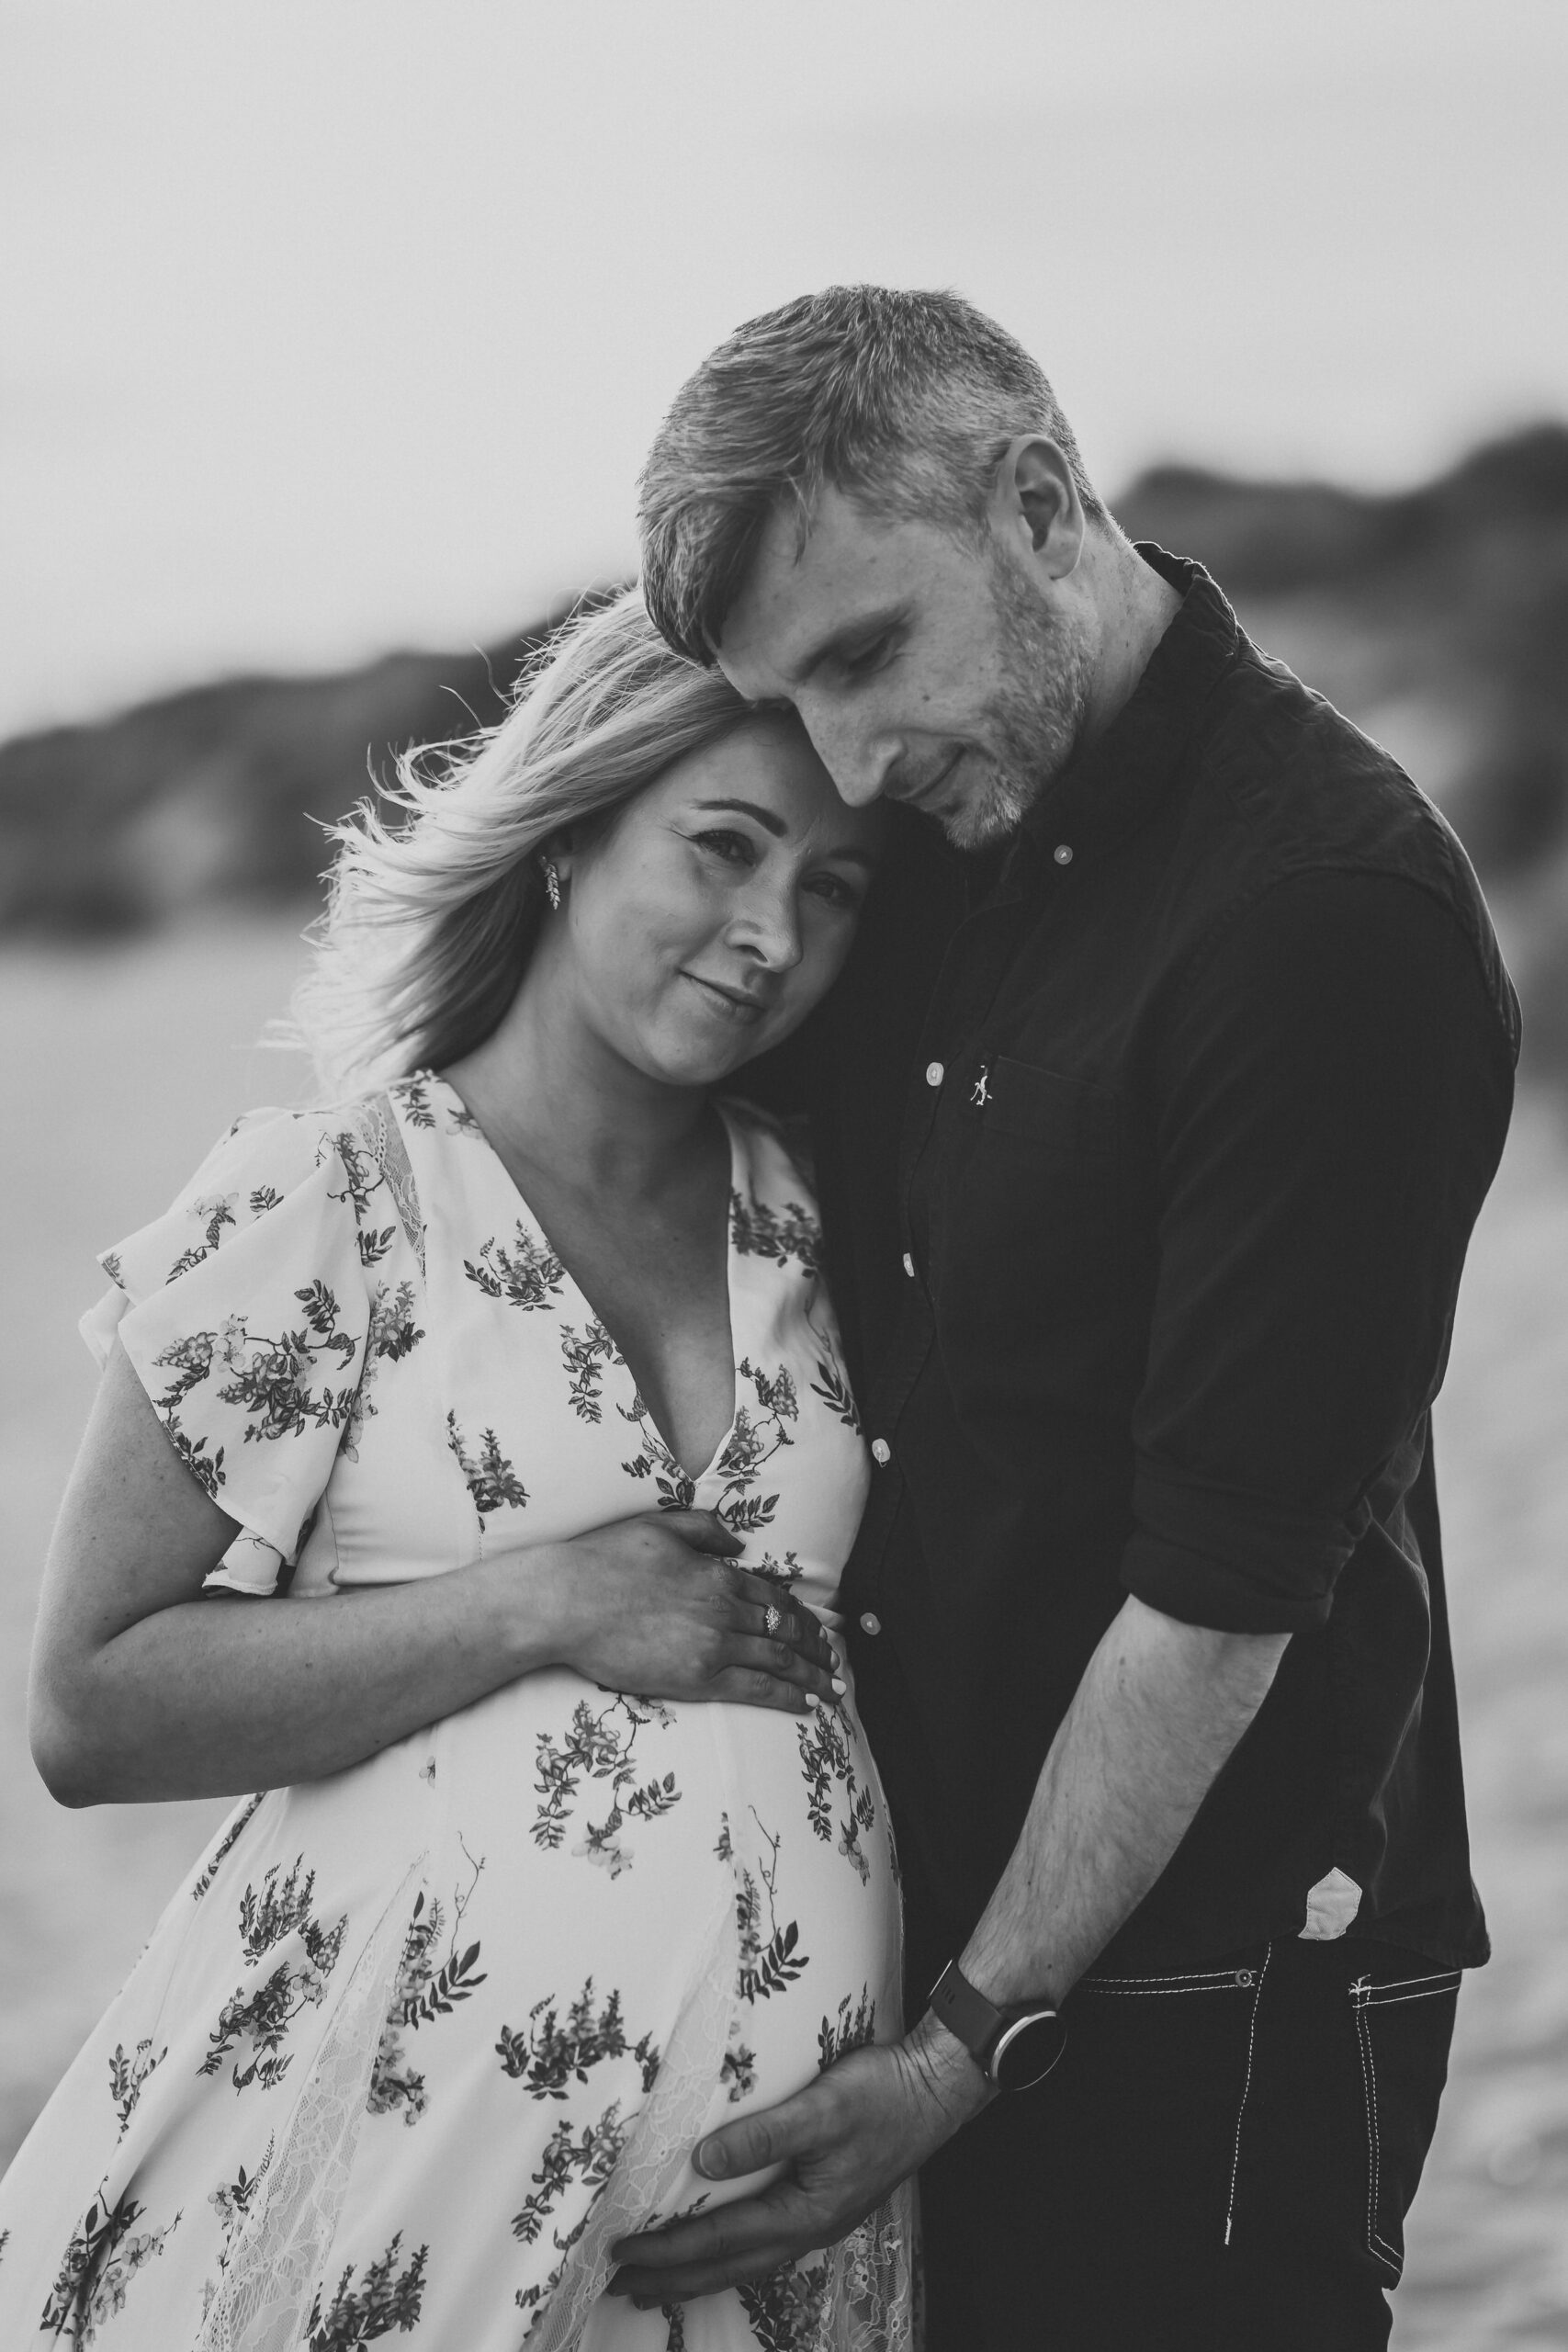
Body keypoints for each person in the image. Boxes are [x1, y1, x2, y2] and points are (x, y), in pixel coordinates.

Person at [610, 286, 1521, 2347]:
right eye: (790, 695)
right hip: (923, 1935)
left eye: (863, 655)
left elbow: (1216, 1593)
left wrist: (957, 2046)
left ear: (1036, 502)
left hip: (1211, 1970)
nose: (843, 755)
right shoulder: (917, 833)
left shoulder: (1323, 917)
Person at [2, 590, 918, 2352]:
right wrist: (538, 1604)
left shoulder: (834, 1211)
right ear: (570, 836)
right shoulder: (328, 1202)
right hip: (383, 2152)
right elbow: (90, 1707)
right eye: (721, 851)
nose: (767, 932)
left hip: (761, 2210)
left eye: (831, 893)